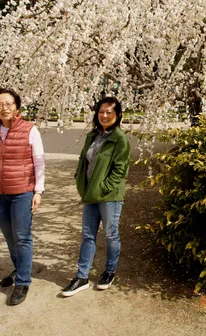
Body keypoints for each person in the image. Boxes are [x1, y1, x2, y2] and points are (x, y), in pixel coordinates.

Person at [0, 88, 45, 306]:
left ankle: (23, 282)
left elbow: (39, 162)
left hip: (22, 192)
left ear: (17, 106)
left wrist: (38, 191)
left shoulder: (29, 130)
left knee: (22, 236)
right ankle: (20, 269)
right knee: (9, 236)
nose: (4, 108)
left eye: (8, 103)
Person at [62, 96, 130, 296]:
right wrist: (79, 180)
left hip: (110, 196)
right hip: (90, 194)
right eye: (101, 111)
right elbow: (83, 160)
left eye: (109, 112)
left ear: (117, 116)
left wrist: (102, 188)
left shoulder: (120, 140)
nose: (105, 115)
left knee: (111, 234)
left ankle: (109, 272)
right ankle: (81, 276)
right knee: (88, 235)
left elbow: (120, 171)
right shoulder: (92, 136)